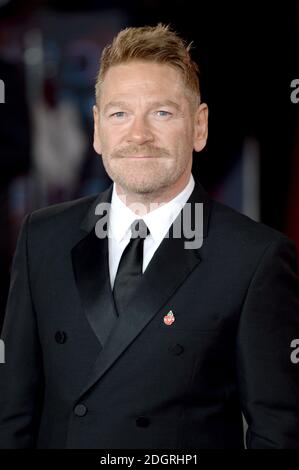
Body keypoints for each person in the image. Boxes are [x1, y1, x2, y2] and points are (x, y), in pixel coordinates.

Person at [0, 24, 299, 450]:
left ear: (199, 127)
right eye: (120, 113)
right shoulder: (42, 238)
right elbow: (11, 413)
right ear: (97, 129)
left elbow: (278, 433)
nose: (138, 134)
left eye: (162, 113)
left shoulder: (255, 258)